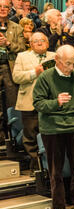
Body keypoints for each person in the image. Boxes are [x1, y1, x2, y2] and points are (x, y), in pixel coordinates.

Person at [33, 45, 74, 209]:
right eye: (68, 63)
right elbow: (37, 103)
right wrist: (56, 102)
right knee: (56, 170)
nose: (72, 67)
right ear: (57, 61)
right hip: (53, 128)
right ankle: (58, 206)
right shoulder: (45, 77)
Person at [13, 32, 56, 176]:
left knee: (51, 135)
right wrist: (34, 72)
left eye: (42, 40)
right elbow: (16, 77)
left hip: (51, 103)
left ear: (48, 43)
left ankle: (51, 165)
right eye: (35, 41)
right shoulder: (22, 56)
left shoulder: (54, 56)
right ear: (30, 44)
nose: (39, 43)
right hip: (29, 102)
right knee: (31, 135)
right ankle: (36, 165)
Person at [0, 0, 26, 146]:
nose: (3, 9)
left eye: (6, 7)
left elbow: (22, 48)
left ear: (10, 9)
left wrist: (8, 44)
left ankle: (14, 139)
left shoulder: (16, 28)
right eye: (0, 7)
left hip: (10, 69)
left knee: (12, 103)